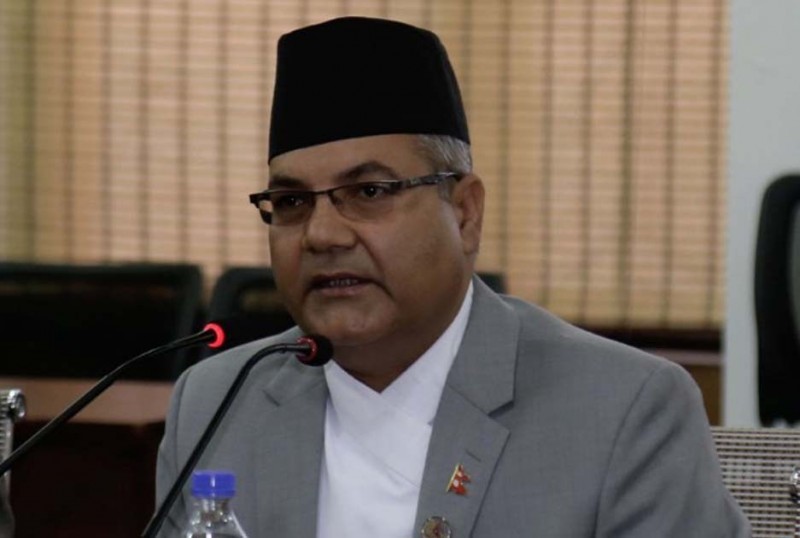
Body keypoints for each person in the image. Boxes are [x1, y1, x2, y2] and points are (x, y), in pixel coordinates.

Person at [156, 16, 749, 537]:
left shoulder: (622, 407)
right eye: (291, 202)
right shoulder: (217, 402)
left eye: (369, 192)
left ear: (464, 212)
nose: (323, 234)